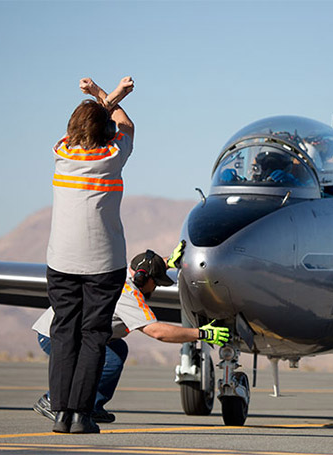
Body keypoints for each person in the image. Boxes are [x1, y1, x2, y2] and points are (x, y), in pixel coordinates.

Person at [33, 251, 229, 424]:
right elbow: (157, 332)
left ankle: (90, 406)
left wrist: (168, 261)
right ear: (144, 280)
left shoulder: (125, 274)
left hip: (68, 332)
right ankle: (54, 401)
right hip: (56, 336)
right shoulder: (128, 294)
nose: (156, 287)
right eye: (157, 282)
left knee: (117, 350)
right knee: (106, 359)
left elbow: (143, 266)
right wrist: (202, 333)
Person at [45, 76, 135, 434]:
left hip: (61, 261)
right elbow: (125, 124)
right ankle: (82, 414)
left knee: (64, 331)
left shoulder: (61, 153)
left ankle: (61, 412)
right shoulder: (112, 156)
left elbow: (92, 125)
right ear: (106, 132)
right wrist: (106, 95)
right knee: (94, 335)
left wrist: (103, 96)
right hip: (103, 263)